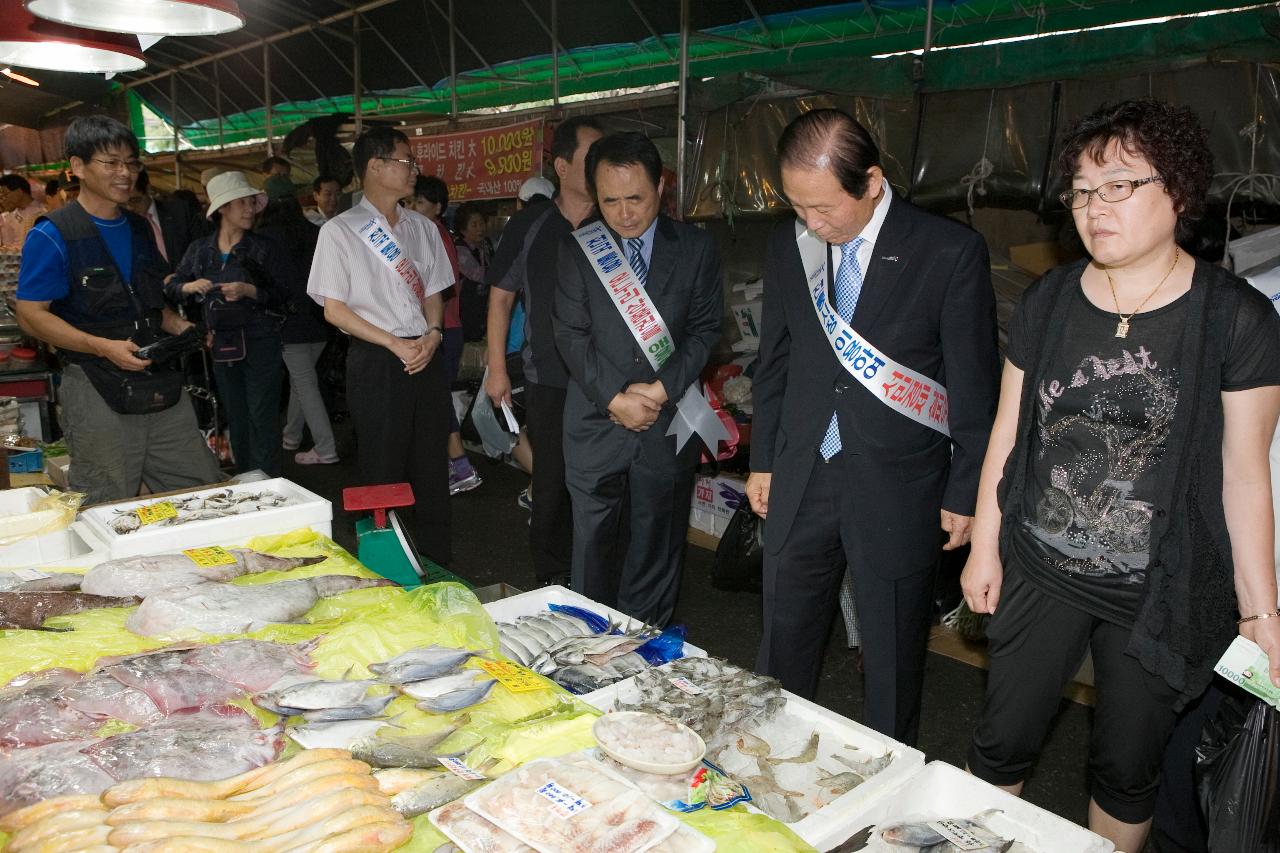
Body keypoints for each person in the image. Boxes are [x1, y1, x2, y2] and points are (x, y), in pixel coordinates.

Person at [959, 99, 1280, 853]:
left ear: (1177, 189)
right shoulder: (1049, 301)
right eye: (1080, 189)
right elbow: (1010, 430)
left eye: (1117, 187)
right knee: (1002, 737)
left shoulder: (1235, 319)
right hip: (1041, 567)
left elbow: (1245, 475)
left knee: (1127, 766)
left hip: (1161, 590)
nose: (1092, 209)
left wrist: (1261, 616)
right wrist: (986, 543)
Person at [747, 108, 999, 746]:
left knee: (890, 650)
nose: (811, 223)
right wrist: (763, 458)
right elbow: (775, 359)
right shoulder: (791, 244)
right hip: (803, 468)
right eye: (797, 206)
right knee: (785, 637)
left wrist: (964, 491)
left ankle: (888, 775)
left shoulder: (947, 251)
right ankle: (772, 756)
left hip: (899, 480)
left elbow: (974, 382)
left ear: (873, 182)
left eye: (824, 207)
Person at [554, 131, 723, 625]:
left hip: (666, 419)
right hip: (594, 421)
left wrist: (659, 388)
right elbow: (570, 333)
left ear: (661, 187)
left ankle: (645, 648)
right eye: (610, 201)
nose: (624, 213)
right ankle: (587, 647)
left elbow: (706, 328)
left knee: (657, 541)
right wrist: (613, 397)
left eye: (636, 198)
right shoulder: (578, 249)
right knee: (590, 546)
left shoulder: (695, 247)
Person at [14, 114, 220, 504]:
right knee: (105, 500)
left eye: (131, 162)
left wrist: (180, 327)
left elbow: (149, 303)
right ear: (77, 167)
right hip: (96, 386)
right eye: (111, 163)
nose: (125, 173)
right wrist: (99, 345)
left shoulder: (140, 227)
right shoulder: (53, 233)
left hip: (157, 381)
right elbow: (31, 315)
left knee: (200, 490)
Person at [307, 126, 454, 566]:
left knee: (430, 466)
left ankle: (435, 564)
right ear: (376, 166)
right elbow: (334, 309)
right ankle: (383, 567)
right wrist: (394, 343)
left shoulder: (423, 228)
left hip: (424, 353)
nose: (414, 171)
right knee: (381, 463)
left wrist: (433, 334)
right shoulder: (341, 231)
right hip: (376, 358)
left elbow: (434, 292)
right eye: (406, 161)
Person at [486, 116, 604, 586]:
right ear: (561, 165)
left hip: (607, 379)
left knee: (600, 481)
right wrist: (497, 369)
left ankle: (597, 577)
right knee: (552, 482)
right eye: (590, 157)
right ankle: (554, 581)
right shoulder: (531, 223)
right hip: (548, 376)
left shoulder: (614, 219)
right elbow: (500, 296)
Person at [167, 171, 294, 477]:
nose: (249, 208)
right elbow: (171, 286)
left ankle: (270, 484)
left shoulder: (265, 248)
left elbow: (287, 297)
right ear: (222, 208)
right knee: (235, 415)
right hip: (221, 345)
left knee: (262, 416)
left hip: (261, 341)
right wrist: (189, 287)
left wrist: (250, 291)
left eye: (252, 202)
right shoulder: (200, 250)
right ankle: (247, 481)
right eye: (241, 202)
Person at [257, 183, 337, 466]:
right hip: (321, 318)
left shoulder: (263, 239)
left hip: (288, 323)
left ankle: (326, 447)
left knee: (304, 383)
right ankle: (291, 436)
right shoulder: (315, 233)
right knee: (301, 380)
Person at [411, 176, 480, 495]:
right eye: (411, 202)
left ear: (438, 207)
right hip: (444, 329)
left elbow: (441, 289)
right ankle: (454, 466)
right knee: (435, 401)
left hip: (441, 330)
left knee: (437, 402)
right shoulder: (434, 234)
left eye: (420, 203)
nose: (413, 208)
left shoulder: (432, 236)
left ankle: (461, 467)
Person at [129, 168, 209, 267]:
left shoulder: (181, 211)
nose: (129, 207)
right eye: (123, 204)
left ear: (148, 189)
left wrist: (180, 277)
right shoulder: (125, 223)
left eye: (134, 200)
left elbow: (202, 247)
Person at [0, 174, 46, 248]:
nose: (3, 200)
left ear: (19, 192)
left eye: (5, 195)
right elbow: (8, 246)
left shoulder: (44, 213)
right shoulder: (8, 217)